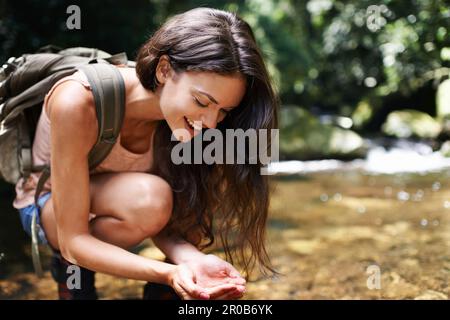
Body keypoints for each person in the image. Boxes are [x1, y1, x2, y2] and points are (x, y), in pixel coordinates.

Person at [13, 7, 279, 300]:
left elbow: (167, 221)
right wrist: (168, 274)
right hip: (49, 210)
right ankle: (73, 273)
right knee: (151, 198)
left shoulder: (189, 124)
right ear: (164, 70)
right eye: (202, 101)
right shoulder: (78, 101)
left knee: (187, 197)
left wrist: (192, 261)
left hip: (127, 204)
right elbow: (73, 240)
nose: (211, 122)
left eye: (224, 110)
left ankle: (165, 294)